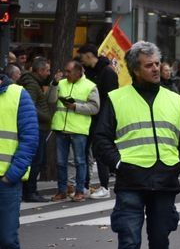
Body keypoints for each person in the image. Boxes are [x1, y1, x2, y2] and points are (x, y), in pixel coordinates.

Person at [93, 41, 180, 249]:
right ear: (135, 69)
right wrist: (118, 164)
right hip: (131, 180)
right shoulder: (117, 99)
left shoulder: (175, 99)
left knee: (160, 238)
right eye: (148, 65)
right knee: (128, 238)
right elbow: (100, 139)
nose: (155, 69)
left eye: (157, 64)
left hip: (165, 180)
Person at [0, 70, 39, 249]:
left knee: (7, 240)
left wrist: (12, 174)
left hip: (6, 182)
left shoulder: (17, 95)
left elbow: (30, 138)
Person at [51, 60, 100, 202]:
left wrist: (75, 107)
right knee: (61, 162)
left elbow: (95, 108)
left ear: (78, 72)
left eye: (68, 71)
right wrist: (54, 84)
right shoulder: (61, 83)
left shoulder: (90, 86)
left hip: (78, 129)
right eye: (65, 71)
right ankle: (62, 191)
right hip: (61, 127)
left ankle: (79, 191)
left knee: (80, 161)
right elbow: (50, 100)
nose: (66, 74)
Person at [77, 43, 120, 199]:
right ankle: (85, 184)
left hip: (102, 118)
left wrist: (107, 119)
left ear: (89, 55)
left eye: (82, 57)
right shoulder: (88, 72)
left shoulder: (108, 72)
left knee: (100, 152)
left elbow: (111, 98)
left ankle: (104, 186)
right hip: (88, 117)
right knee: (84, 151)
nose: (81, 61)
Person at [17, 57, 59, 203]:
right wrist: (46, 117)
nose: (48, 73)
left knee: (35, 160)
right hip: (37, 128)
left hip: (37, 127)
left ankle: (28, 190)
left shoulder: (33, 83)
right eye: (47, 70)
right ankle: (30, 191)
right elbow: (30, 106)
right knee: (36, 161)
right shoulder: (32, 85)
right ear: (40, 70)